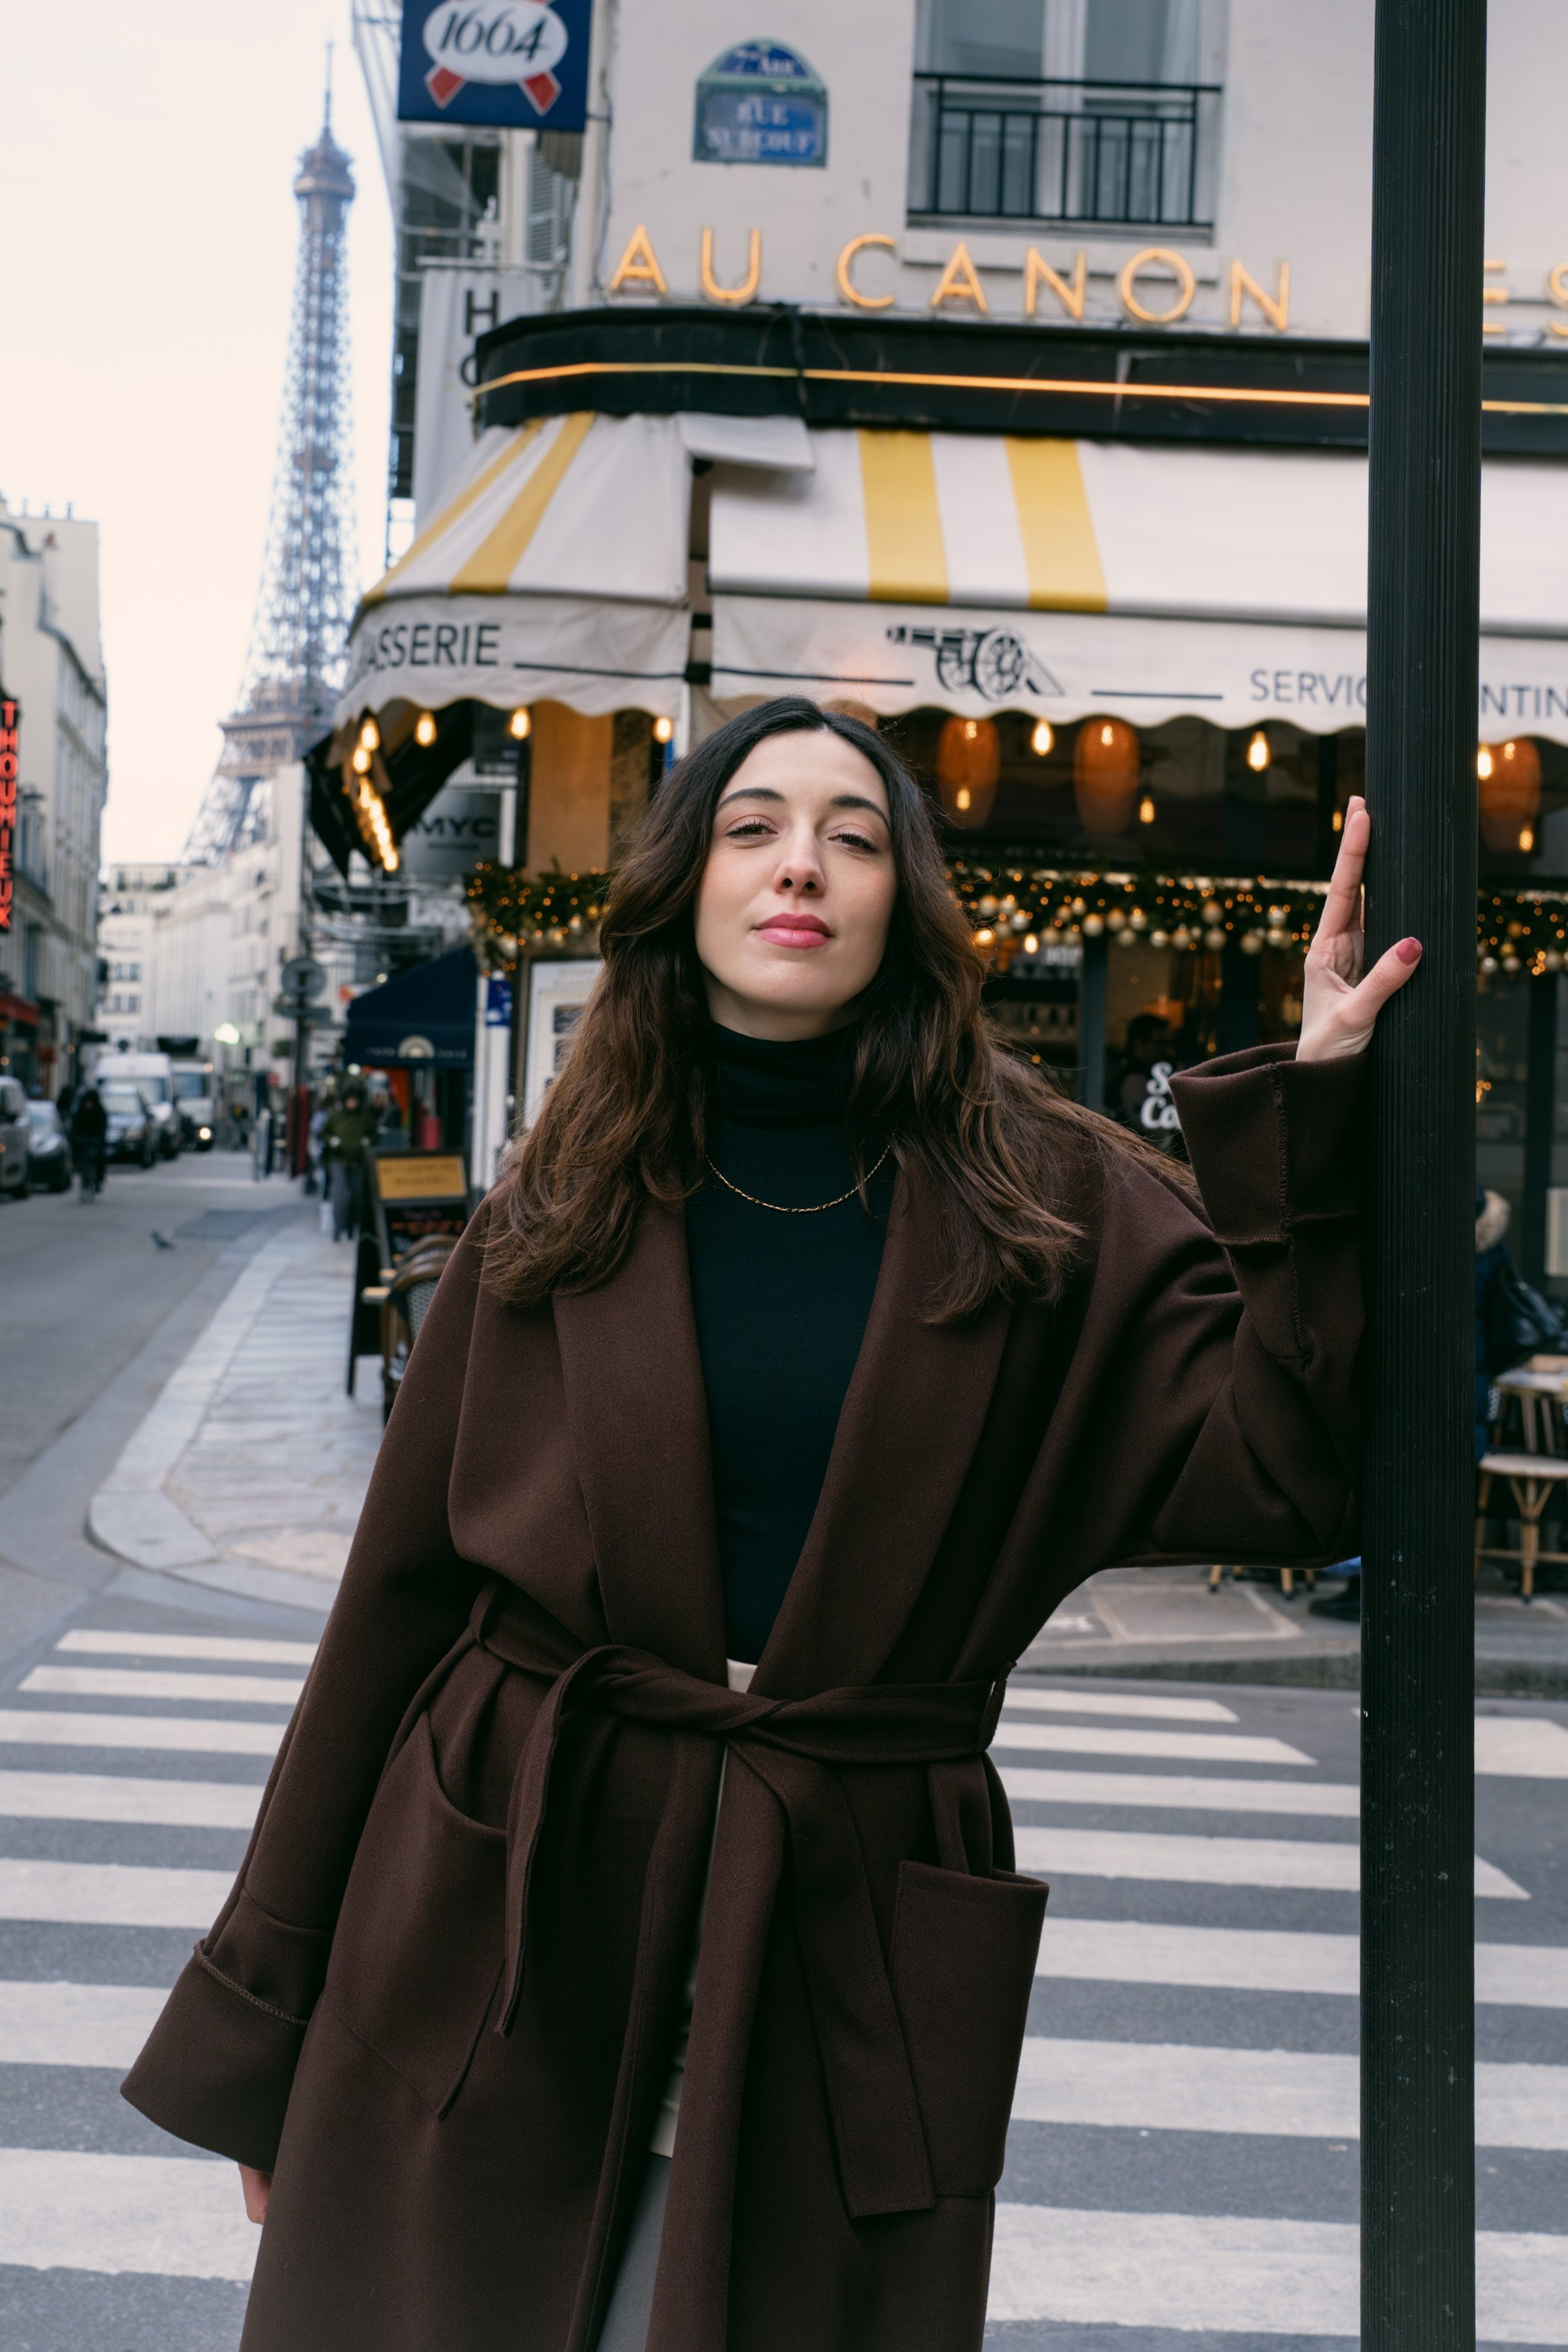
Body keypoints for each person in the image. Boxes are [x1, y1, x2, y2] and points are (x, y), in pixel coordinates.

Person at [122, 700, 1418, 2352]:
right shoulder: (562, 1193)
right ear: (685, 891)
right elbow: (389, 1618)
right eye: (751, 826)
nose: (801, 860)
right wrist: (265, 2027)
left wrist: (1311, 1108)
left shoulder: (1050, 1203)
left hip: (839, 1922)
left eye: (855, 835)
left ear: (904, 903)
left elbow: (1291, 1473)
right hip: (513, 1908)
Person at [322, 1080, 379, 1241]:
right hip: (339, 1159)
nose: (352, 1103)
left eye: (355, 1100)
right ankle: (338, 1230)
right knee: (340, 1196)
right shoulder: (336, 1117)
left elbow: (375, 1134)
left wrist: (368, 1141)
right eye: (350, 1099)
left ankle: (353, 1229)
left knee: (357, 1197)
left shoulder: (365, 1117)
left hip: (358, 1160)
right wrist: (332, 1141)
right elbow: (324, 1133)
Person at [68, 1083, 107, 1197]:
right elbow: (75, 1126)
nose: (89, 1105)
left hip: (95, 1138)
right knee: (77, 1152)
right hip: (83, 1138)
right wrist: (76, 1137)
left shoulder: (100, 1112)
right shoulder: (80, 1112)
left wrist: (100, 1138)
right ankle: (77, 1167)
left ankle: (98, 1180)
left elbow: (103, 1126)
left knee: (99, 1158)